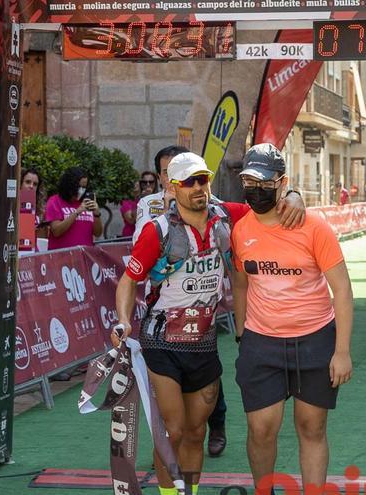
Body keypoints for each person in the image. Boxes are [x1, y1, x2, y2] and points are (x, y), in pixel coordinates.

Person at [111, 152, 303, 494]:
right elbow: (129, 280)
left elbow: (270, 204)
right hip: (162, 341)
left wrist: (293, 195)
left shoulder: (225, 216)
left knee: (197, 432)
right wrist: (124, 321)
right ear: (173, 187)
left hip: (204, 342)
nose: (199, 188)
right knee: (175, 430)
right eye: (189, 182)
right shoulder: (159, 231)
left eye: (203, 179)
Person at [231, 143, 353, 494]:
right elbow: (240, 282)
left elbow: (342, 290)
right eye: (248, 181)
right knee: (261, 429)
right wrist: (242, 335)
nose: (255, 189)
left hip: (315, 340)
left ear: (281, 182)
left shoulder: (314, 228)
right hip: (260, 342)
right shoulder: (241, 229)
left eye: (264, 182)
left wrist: (341, 351)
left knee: (311, 427)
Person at [44, 167, 103, 250]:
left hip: (84, 258)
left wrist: (97, 214)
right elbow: (56, 231)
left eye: (84, 187)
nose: (81, 190)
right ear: (70, 185)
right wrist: (77, 212)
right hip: (62, 258)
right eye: (79, 187)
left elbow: (97, 233)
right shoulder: (54, 201)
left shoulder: (86, 202)